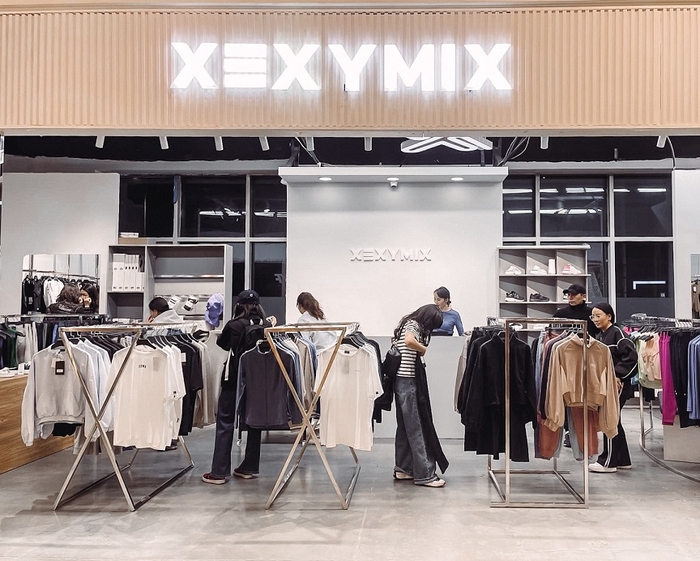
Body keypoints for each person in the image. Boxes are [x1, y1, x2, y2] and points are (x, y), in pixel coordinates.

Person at [202, 289, 274, 484]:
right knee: (254, 423)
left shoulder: (233, 325)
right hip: (258, 381)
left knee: (225, 422)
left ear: (239, 305)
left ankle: (218, 472)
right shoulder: (266, 326)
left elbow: (223, 345)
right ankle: (248, 467)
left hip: (234, 379)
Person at [392, 304, 449, 487]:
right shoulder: (413, 325)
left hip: (399, 382)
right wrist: (423, 349)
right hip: (407, 381)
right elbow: (409, 340)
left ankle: (403, 468)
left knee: (405, 427)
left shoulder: (406, 323)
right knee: (417, 428)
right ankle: (426, 475)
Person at [588, 302, 638, 473]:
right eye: (593, 316)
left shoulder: (618, 334)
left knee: (608, 419)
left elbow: (632, 358)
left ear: (609, 316)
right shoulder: (601, 336)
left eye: (599, 315)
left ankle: (608, 462)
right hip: (606, 384)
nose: (595, 319)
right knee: (614, 420)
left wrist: (618, 375)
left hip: (617, 385)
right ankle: (623, 459)